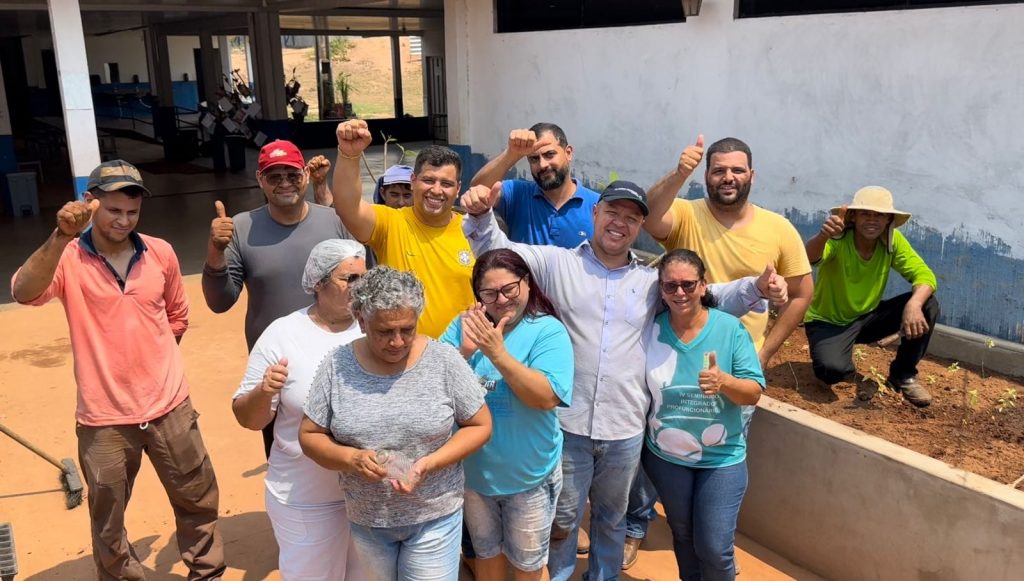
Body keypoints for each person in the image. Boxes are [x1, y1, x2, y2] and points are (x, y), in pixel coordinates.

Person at [460, 179, 785, 581]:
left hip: (624, 427)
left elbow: (706, 294)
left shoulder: (651, 283)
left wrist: (756, 287)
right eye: (612, 212)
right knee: (564, 520)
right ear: (595, 213)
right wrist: (481, 215)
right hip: (570, 423)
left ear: (640, 226)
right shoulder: (558, 264)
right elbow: (502, 256)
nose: (620, 223)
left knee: (612, 518)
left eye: (631, 218)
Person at [10, 160, 225, 580]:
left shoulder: (160, 253)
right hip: (103, 418)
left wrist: (152, 363)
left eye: (132, 212)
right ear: (90, 203)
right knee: (108, 519)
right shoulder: (68, 258)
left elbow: (177, 316)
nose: (124, 221)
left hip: (170, 409)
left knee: (197, 498)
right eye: (113, 211)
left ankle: (208, 573)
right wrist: (60, 236)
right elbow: (22, 291)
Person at [298, 266, 493, 580]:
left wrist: (429, 464)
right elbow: (309, 435)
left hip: (435, 514)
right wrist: (352, 458)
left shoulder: (444, 361)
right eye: (385, 332)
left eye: (407, 329)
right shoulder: (337, 365)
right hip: (368, 519)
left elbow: (480, 425)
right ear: (362, 321)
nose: (397, 341)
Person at [202, 139, 351, 458]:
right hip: (278, 371)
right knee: (285, 456)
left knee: (348, 453)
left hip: (340, 363)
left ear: (305, 175)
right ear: (260, 180)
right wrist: (215, 251)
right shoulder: (241, 227)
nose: (285, 183)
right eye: (274, 176)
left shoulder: (334, 221)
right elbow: (220, 301)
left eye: (292, 175)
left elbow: (364, 285)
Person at [232, 239, 368, 579]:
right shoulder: (283, 335)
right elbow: (248, 418)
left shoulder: (376, 328)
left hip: (369, 497)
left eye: (364, 277)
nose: (359, 287)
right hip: (306, 499)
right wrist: (264, 391)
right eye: (349, 278)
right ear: (318, 283)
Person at [438, 249, 574, 581]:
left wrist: (497, 354)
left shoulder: (547, 331)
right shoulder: (464, 326)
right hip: (476, 476)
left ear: (526, 283)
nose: (501, 300)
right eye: (489, 293)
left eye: (509, 289)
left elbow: (545, 397)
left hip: (529, 477)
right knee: (486, 555)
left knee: (528, 566)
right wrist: (464, 351)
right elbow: (433, 388)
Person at [642, 249, 765, 581]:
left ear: (703, 285)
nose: (680, 292)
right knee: (683, 534)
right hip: (666, 457)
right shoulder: (650, 331)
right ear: (661, 289)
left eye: (688, 284)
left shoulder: (729, 329)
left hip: (721, 458)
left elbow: (754, 391)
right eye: (670, 286)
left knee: (714, 546)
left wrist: (724, 381)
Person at [333, 120, 476, 338]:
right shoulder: (391, 223)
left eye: (446, 184)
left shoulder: (473, 230)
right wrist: (349, 155)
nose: (436, 190)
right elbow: (347, 207)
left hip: (464, 352)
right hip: (401, 351)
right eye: (428, 180)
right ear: (413, 181)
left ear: (458, 189)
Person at [804, 186, 939, 407]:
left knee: (927, 304)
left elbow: (925, 275)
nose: (872, 220)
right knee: (831, 371)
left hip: (868, 318)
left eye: (879, 215)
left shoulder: (891, 241)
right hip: (829, 322)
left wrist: (914, 304)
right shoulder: (838, 238)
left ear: (888, 220)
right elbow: (810, 258)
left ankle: (903, 375)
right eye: (865, 214)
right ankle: (844, 365)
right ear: (853, 217)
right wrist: (822, 236)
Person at [470, 123, 599, 248]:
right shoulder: (517, 194)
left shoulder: (597, 205)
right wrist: (511, 154)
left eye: (549, 155)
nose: (542, 165)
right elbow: (478, 190)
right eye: (534, 159)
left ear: (568, 153)